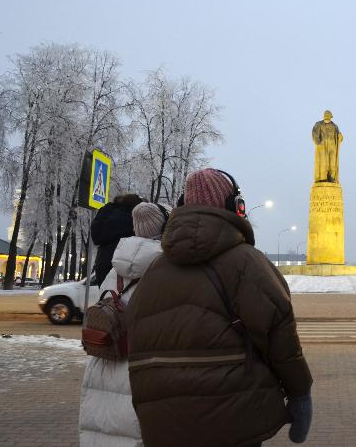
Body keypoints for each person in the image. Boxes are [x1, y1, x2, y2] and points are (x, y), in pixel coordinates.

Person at [127, 168, 313, 447]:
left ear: (181, 206)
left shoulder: (154, 271)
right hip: (234, 421)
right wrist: (300, 394)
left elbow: (136, 344)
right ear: (234, 207)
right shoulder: (247, 263)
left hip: (165, 425)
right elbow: (279, 337)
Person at [79, 202, 169, 446]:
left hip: (104, 359)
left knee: (101, 429)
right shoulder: (165, 269)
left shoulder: (115, 268)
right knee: (134, 431)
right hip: (139, 367)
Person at [91, 194, 143, 287]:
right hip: (122, 265)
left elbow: (95, 236)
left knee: (105, 295)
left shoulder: (107, 212)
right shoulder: (133, 219)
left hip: (102, 262)